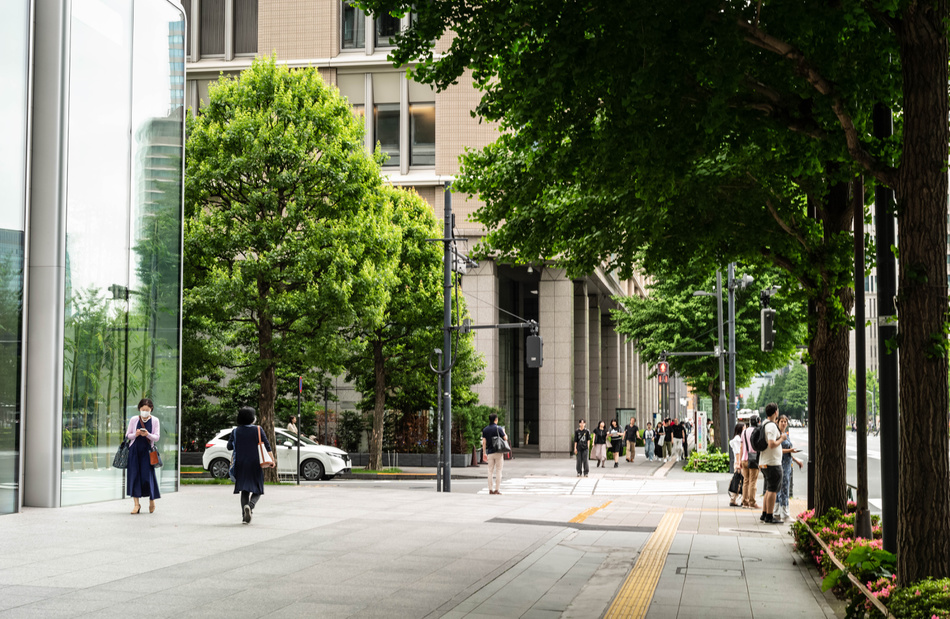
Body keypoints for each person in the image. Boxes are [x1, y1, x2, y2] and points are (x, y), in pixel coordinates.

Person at [228, 406, 275, 524]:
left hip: (240, 463)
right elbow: (267, 446)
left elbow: (229, 447)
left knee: (244, 490)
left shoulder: (236, 431)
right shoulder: (258, 429)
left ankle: (244, 516)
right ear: (252, 418)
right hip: (255, 463)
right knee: (258, 488)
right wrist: (272, 460)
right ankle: (250, 505)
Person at [125, 398, 161, 515]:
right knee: (134, 476)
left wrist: (148, 434)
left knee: (148, 477)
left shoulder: (155, 420)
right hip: (134, 451)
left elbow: (157, 437)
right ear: (139, 409)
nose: (144, 412)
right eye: (142, 409)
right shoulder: (134, 420)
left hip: (147, 452)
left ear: (151, 409)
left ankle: (152, 501)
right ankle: (136, 504)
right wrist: (135, 434)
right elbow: (128, 435)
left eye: (147, 410)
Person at [758, 403, 786, 524]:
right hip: (772, 463)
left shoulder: (764, 424)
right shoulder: (771, 426)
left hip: (765, 461)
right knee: (773, 490)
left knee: (769, 489)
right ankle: (770, 516)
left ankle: (765, 514)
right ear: (775, 412)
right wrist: (782, 439)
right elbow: (771, 444)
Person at [774, 415, 803, 523]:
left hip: (787, 464)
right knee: (783, 488)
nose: (783, 423)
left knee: (782, 488)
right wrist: (790, 450)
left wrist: (796, 460)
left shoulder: (786, 435)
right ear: (778, 422)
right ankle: (783, 513)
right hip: (780, 464)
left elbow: (788, 452)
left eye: (785, 421)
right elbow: (777, 449)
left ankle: (778, 512)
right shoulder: (778, 435)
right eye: (781, 421)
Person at [480, 413, 509, 494]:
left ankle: (490, 489)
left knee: (490, 471)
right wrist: (504, 432)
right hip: (498, 452)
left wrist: (484, 453)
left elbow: (484, 442)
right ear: (496, 419)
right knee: (499, 470)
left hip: (490, 453)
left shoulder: (485, 430)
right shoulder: (499, 428)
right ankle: (497, 489)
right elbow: (505, 438)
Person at [739, 415, 761, 509]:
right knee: (753, 481)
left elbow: (741, 447)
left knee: (746, 481)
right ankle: (752, 502)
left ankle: (745, 502)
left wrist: (740, 460)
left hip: (744, 459)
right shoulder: (758, 431)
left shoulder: (744, 431)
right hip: (754, 459)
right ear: (757, 421)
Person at [728, 422, 746, 506]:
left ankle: (736, 499)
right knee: (738, 481)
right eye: (744, 428)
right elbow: (738, 453)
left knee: (738, 480)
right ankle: (734, 499)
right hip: (739, 462)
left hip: (738, 462)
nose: (745, 429)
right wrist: (739, 464)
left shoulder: (738, 438)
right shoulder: (737, 439)